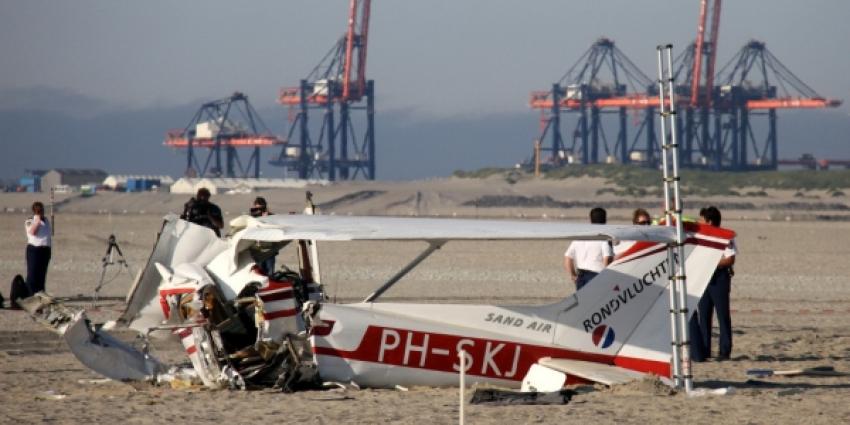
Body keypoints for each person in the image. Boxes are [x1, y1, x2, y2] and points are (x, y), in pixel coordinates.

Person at [694, 206, 737, 361]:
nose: (700, 222)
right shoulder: (700, 237)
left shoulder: (725, 237)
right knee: (704, 315)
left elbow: (730, 258)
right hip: (704, 278)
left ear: (709, 221)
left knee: (722, 315)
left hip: (719, 278)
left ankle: (724, 351)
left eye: (702, 220)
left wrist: (712, 263)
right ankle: (704, 350)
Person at [564, 207, 613, 290]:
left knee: (584, 302)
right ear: (605, 220)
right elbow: (607, 258)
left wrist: (573, 275)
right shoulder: (604, 238)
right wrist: (606, 277)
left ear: (590, 219)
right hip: (596, 276)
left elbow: (567, 258)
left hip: (581, 276)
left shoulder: (580, 237)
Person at [24, 201, 52, 294]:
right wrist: (37, 221)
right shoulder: (30, 221)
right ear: (34, 211)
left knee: (42, 274)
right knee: (32, 274)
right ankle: (30, 294)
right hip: (34, 250)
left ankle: (40, 293)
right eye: (38, 210)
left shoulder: (46, 220)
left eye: (41, 210)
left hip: (45, 250)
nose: (40, 212)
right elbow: (33, 232)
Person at [249, 197, 276, 275]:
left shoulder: (271, 216)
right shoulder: (251, 218)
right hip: (257, 251)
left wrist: (267, 219)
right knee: (259, 274)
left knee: (270, 274)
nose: (260, 211)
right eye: (257, 208)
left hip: (269, 251)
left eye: (262, 208)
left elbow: (276, 227)